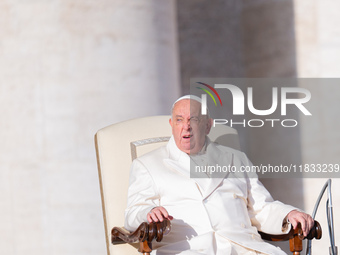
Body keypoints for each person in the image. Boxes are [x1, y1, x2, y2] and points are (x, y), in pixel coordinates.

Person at [124, 95, 314, 255]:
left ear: (208, 125)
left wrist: (288, 213)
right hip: (189, 250)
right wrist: (147, 213)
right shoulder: (147, 164)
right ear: (171, 124)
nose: (186, 126)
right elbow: (133, 213)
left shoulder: (236, 159)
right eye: (179, 120)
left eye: (194, 119)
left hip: (244, 248)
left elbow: (260, 208)